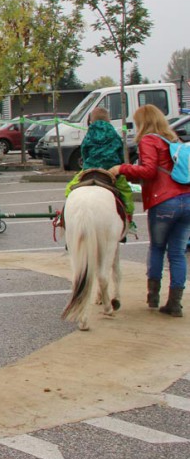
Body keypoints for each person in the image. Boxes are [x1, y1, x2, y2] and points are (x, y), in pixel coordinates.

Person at [109, 104, 190, 317]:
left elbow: (149, 171)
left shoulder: (149, 140)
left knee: (157, 248)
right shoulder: (174, 141)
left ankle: (153, 297)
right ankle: (175, 303)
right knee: (178, 253)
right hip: (187, 200)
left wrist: (121, 169)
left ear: (143, 123)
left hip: (164, 202)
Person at [65, 107, 136, 233]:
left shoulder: (90, 132)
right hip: (110, 170)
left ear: (91, 120)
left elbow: (84, 150)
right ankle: (129, 221)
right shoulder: (113, 132)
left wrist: (87, 163)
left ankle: (64, 218)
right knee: (126, 192)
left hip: (90, 168)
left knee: (70, 189)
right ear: (108, 119)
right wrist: (118, 165)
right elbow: (120, 150)